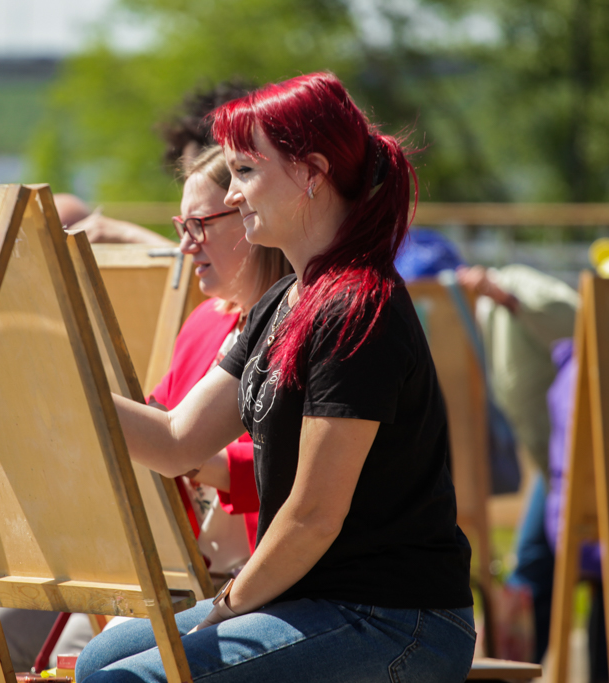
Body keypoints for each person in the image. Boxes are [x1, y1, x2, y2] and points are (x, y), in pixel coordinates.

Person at [76, 72, 475, 682]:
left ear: (311, 173)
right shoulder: (286, 300)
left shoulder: (356, 309)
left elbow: (313, 516)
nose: (232, 196)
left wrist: (226, 608)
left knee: (120, 680)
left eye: (244, 172)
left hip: (397, 620)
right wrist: (57, 383)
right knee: (102, 658)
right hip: (314, 602)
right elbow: (176, 441)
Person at [154, 145, 290, 565]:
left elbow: (298, 472)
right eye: (182, 226)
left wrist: (185, 454)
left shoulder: (305, 324)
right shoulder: (205, 321)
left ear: (249, 215)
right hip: (183, 566)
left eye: (198, 225)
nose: (185, 247)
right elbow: (156, 415)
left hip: (261, 575)